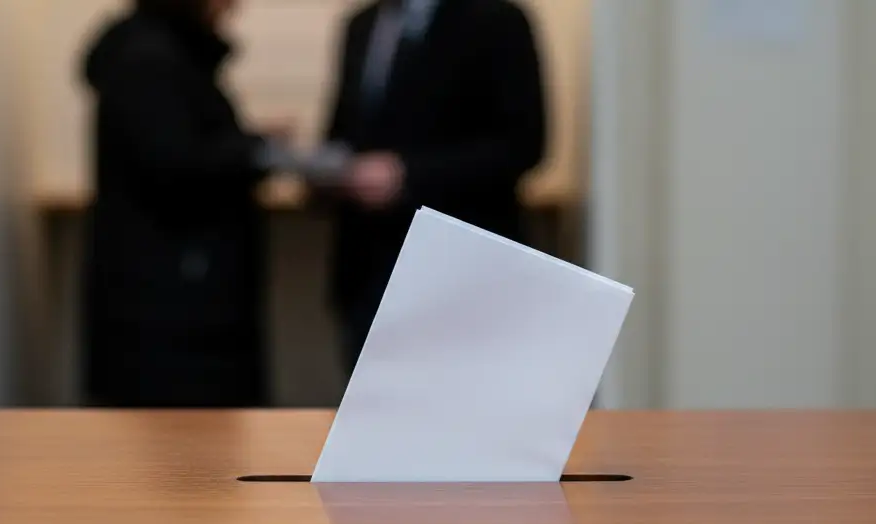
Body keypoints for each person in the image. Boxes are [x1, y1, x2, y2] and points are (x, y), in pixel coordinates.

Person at [320, 0, 547, 373]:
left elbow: (522, 145)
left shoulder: (496, 21)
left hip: (461, 264)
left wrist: (407, 173)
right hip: (367, 268)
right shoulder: (361, 26)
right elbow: (344, 131)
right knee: (373, 418)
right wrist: (324, 170)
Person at [80, 0, 280, 407]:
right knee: (180, 454)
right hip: (175, 315)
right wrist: (253, 152)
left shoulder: (154, 54)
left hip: (168, 304)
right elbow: (174, 167)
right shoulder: (150, 60)